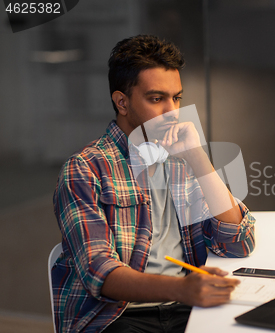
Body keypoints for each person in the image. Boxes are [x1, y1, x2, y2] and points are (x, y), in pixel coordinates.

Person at [51, 35, 256, 333]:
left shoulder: (179, 160)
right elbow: (101, 275)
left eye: (177, 98)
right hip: (118, 318)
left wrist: (197, 157)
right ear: (122, 102)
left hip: (188, 307)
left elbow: (237, 241)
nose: (173, 112)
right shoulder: (84, 169)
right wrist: (180, 289)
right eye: (157, 99)